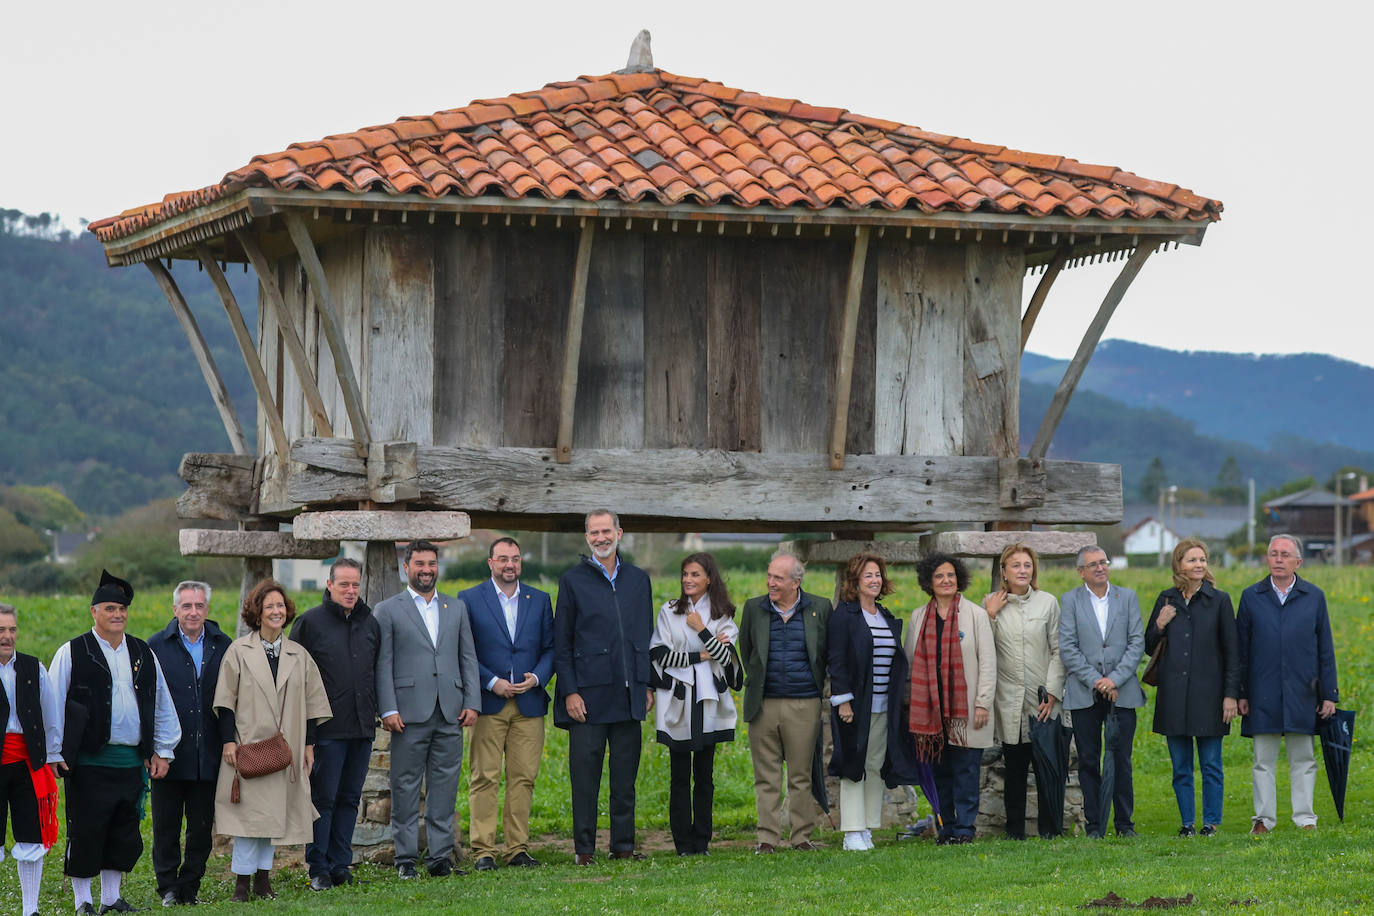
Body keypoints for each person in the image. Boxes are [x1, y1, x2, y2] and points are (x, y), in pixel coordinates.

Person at [50, 569, 181, 915]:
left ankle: (111, 898)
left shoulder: (142, 652)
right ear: (94, 612)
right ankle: (83, 901)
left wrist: (162, 750)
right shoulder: (73, 651)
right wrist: (53, 751)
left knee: (123, 831)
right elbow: (52, 704)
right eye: (109, 608)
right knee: (87, 830)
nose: (117, 615)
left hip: (130, 761)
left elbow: (161, 702)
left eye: (122, 609)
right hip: (89, 761)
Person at [213, 579, 331, 902]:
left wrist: (309, 746)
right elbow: (225, 701)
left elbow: (313, 703)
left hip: (286, 750)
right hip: (249, 747)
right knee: (248, 821)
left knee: (273, 819)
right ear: (257, 612)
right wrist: (228, 742)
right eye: (269, 606)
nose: (276, 611)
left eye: (280, 605)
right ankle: (241, 885)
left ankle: (263, 882)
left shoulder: (299, 655)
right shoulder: (239, 651)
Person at [553, 510, 655, 865]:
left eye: (606, 531)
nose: (600, 538)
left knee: (624, 779)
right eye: (594, 532)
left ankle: (623, 846)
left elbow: (645, 635)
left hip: (628, 696)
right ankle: (584, 850)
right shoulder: (572, 581)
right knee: (585, 781)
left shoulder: (639, 580)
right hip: (588, 698)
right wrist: (569, 691)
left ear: (619, 533)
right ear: (587, 538)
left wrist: (646, 684)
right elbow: (561, 643)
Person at [375, 541, 480, 878]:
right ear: (406, 567)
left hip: (451, 711)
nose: (426, 569)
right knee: (405, 787)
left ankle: (440, 858)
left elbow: (468, 658)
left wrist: (472, 702)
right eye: (419, 563)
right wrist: (388, 708)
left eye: (431, 563)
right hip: (407, 713)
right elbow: (383, 664)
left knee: (445, 787)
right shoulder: (388, 609)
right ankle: (405, 859)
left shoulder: (456, 608)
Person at [458, 537, 554, 870]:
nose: (509, 564)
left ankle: (517, 849)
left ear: (520, 563)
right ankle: (483, 850)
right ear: (490, 563)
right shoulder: (469, 599)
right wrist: (491, 681)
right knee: (484, 777)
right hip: (487, 702)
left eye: (514, 558)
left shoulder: (540, 600)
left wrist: (538, 677)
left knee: (523, 778)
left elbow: (550, 649)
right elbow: (465, 650)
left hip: (529, 704)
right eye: (502, 559)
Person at [1236, 534, 1339, 834]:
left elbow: (1325, 649)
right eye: (1273, 554)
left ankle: (1305, 818)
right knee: (1262, 761)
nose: (1278, 559)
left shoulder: (1314, 596)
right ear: (1266, 559)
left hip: (1303, 692)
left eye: (1285, 554)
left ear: (1298, 561)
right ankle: (1263, 820)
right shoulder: (1250, 596)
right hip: (1261, 692)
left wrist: (1329, 694)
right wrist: (1241, 692)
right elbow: (1241, 650)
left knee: (1304, 759)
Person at [290, 558, 379, 889]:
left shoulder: (370, 623)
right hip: (326, 731)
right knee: (322, 800)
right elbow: (295, 683)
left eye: (355, 585)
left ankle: (342, 863)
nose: (351, 591)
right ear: (329, 585)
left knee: (349, 798)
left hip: (361, 727)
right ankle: (318, 867)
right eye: (344, 584)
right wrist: (307, 736)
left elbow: (375, 670)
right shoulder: (309, 624)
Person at [737, 550, 832, 853]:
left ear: (796, 582)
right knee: (766, 776)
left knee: (801, 774)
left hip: (804, 704)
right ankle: (767, 838)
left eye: (778, 578)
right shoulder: (754, 609)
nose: (770, 582)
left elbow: (826, 653)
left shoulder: (820, 607)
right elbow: (747, 648)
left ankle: (801, 837)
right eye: (769, 576)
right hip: (763, 704)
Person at [1144, 538, 1240, 837]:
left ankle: (1210, 823)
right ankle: (1187, 823)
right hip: (1174, 696)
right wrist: (1159, 623)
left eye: (1203, 560)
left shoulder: (1220, 600)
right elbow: (1148, 647)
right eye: (1192, 560)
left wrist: (1230, 695)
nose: (1199, 565)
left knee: (1211, 764)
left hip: (1210, 696)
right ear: (1178, 565)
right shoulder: (1166, 599)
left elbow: (1233, 652)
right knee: (1181, 767)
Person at [649, 552, 742, 856]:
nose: (687, 580)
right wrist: (700, 655)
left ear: (709, 579)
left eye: (694, 574)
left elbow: (726, 657)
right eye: (684, 574)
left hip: (709, 700)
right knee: (679, 776)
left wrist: (701, 628)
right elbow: (661, 655)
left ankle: (701, 841)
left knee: (704, 776)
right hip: (678, 699)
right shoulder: (668, 611)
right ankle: (681, 843)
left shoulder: (723, 614)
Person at [147, 580, 232, 906]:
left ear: (207, 609)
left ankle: (190, 886)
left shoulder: (223, 644)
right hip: (168, 755)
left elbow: (231, 700)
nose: (193, 612)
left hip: (209, 753)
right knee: (166, 828)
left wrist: (228, 741)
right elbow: (148, 702)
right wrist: (152, 749)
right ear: (175, 610)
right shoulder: (156, 645)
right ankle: (168, 887)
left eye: (199, 606)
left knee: (200, 830)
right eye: (186, 606)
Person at [904, 552, 995, 845]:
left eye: (951, 575)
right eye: (939, 576)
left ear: (959, 579)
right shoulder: (918, 617)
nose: (946, 580)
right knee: (939, 772)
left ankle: (965, 829)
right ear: (929, 582)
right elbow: (909, 663)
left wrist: (983, 702)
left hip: (966, 708)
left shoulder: (975, 615)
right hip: (931, 711)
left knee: (967, 770)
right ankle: (946, 827)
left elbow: (988, 662)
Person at [1059, 546, 1144, 839]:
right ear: (1081, 571)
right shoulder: (1070, 600)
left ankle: (1124, 824)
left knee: (1121, 758)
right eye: (1092, 564)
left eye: (1103, 562)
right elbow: (1067, 648)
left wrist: (1114, 680)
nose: (1100, 568)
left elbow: (1136, 643)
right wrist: (1097, 681)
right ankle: (1095, 824)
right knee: (1089, 759)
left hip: (1122, 692)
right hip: (1085, 692)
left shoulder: (1128, 597)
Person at [983, 543, 1065, 840]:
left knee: (1047, 770)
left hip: (1042, 701)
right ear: (1004, 571)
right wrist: (990, 616)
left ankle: (1050, 830)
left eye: (1027, 565)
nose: (1022, 570)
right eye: (1015, 565)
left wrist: (1053, 692)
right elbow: (984, 650)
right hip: (1008, 701)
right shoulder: (990, 603)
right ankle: (1014, 832)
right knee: (1014, 770)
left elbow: (1058, 651)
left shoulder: (1048, 603)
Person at [828, 553, 908, 852]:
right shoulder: (844, 616)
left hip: (884, 706)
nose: (874, 580)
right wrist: (843, 702)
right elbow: (836, 661)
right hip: (855, 706)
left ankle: (868, 827)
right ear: (855, 582)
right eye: (868, 576)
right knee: (854, 764)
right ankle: (852, 831)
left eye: (877, 575)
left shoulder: (884, 615)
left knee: (875, 765)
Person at [0, 603, 61, 916]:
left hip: (28, 764)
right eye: (1, 630)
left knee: (31, 837)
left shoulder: (33, 668)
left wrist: (52, 756)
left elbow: (49, 715)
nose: (7, 636)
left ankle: (30, 908)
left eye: (12, 630)